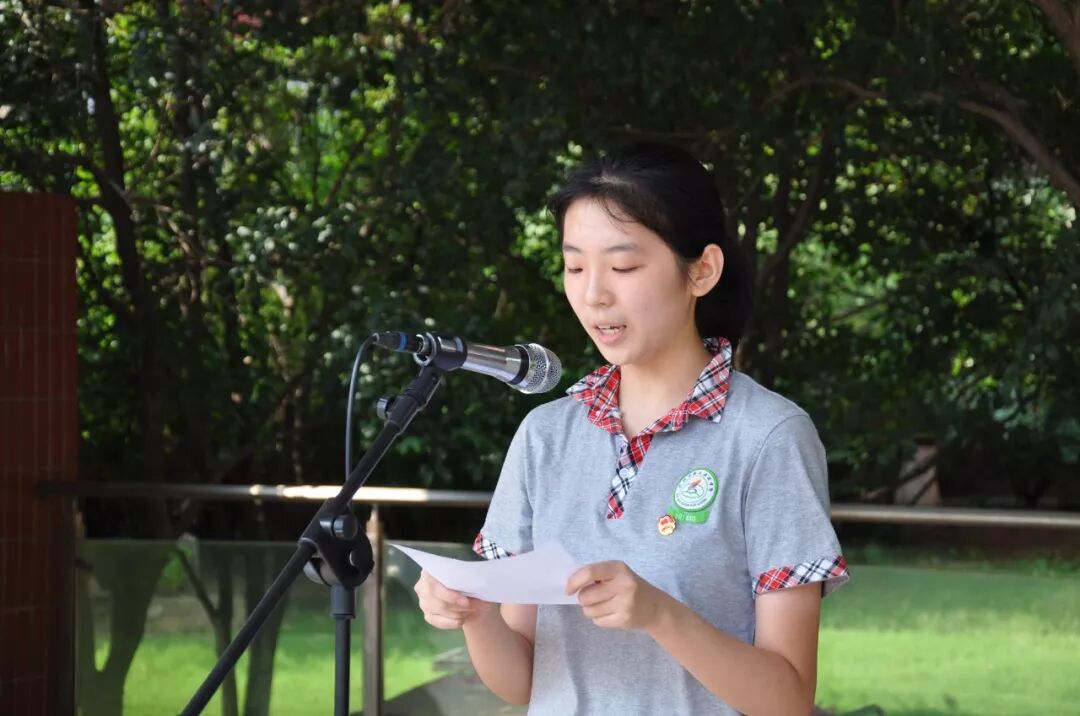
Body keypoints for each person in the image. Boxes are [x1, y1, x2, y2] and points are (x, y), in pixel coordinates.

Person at [414, 142, 849, 715]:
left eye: (623, 267)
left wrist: (661, 614)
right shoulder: (545, 437)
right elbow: (525, 683)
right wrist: (477, 616)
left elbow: (789, 700)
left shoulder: (769, 436)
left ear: (702, 270)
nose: (594, 294)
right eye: (575, 267)